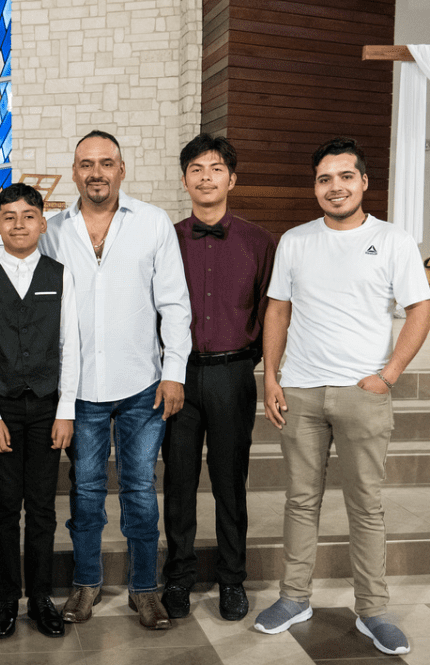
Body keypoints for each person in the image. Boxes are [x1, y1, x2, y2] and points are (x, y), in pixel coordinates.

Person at [0, 130, 191, 630]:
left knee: (139, 490)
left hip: (140, 381)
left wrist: (175, 372)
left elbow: (174, 303)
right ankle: (86, 584)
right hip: (79, 389)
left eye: (106, 163)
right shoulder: (54, 229)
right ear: (74, 172)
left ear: (121, 169)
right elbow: (17, 264)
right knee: (85, 493)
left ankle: (145, 589)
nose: (96, 172)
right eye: (86, 164)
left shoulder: (152, 222)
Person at [253, 137, 430, 655]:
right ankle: (293, 598)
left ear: (364, 182)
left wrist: (388, 376)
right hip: (302, 392)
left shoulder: (393, 240)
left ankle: (373, 610)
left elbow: (419, 309)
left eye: (345, 176)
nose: (335, 187)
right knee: (300, 500)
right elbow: (278, 309)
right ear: (315, 187)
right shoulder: (296, 241)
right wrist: (271, 377)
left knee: (366, 505)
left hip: (362, 392)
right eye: (324, 179)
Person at [160, 134, 276, 622]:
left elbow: (272, 310)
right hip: (177, 376)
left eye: (215, 169)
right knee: (178, 482)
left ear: (232, 179)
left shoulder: (259, 242)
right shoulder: (166, 238)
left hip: (233, 374)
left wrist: (255, 365)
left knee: (231, 482)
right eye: (196, 169)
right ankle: (179, 578)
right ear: (184, 179)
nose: (206, 177)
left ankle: (232, 579)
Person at [0, 183, 80, 640]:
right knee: (5, 508)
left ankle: (41, 597)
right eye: (8, 217)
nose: (18, 224)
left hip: (48, 407)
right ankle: (7, 598)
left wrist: (66, 409)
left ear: (42, 223)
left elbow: (70, 346)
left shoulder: (61, 275)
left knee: (43, 508)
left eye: (28, 216)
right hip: (4, 408)